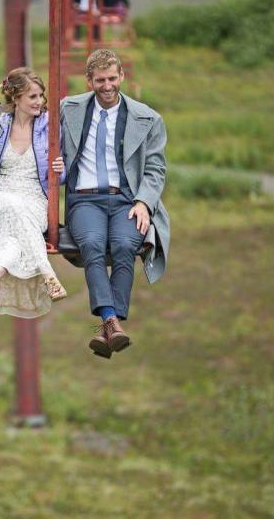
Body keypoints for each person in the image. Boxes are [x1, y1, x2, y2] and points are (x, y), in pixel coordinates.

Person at [60, 49, 170, 359]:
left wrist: (144, 202)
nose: (107, 86)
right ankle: (112, 322)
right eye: (100, 80)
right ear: (89, 81)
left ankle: (108, 326)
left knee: (124, 245)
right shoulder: (69, 109)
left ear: (121, 76)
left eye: (112, 78)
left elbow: (155, 168)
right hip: (85, 199)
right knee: (92, 243)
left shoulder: (148, 118)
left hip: (126, 200)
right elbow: (33, 124)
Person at [0, 67, 68, 318]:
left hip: (34, 198)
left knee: (11, 237)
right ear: (16, 98)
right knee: (13, 206)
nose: (40, 101)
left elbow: (60, 178)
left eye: (41, 95)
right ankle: (48, 275)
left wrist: (60, 169)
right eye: (33, 96)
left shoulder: (50, 127)